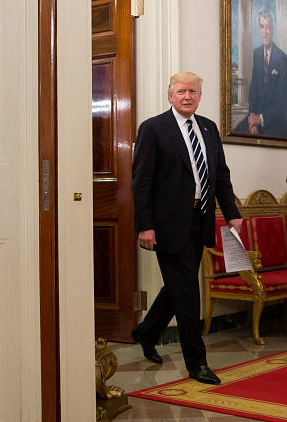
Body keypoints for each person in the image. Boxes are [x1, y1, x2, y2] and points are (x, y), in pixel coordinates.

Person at [131, 72, 243, 385]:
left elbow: (220, 174)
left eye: (193, 91)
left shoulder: (208, 128)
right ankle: (197, 363)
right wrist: (145, 226)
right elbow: (141, 182)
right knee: (188, 292)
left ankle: (146, 331)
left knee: (179, 287)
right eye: (181, 91)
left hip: (201, 219)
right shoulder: (153, 129)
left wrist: (232, 213)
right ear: (170, 95)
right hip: (166, 224)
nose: (187, 97)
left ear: (199, 95)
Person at [235, 7, 287, 137]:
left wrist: (261, 119)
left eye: (268, 27)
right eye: (262, 27)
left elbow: (282, 101)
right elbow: (254, 89)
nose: (265, 32)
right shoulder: (257, 54)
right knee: (235, 131)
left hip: (274, 120)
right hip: (255, 115)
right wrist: (253, 120)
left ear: (273, 29)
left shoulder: (282, 58)